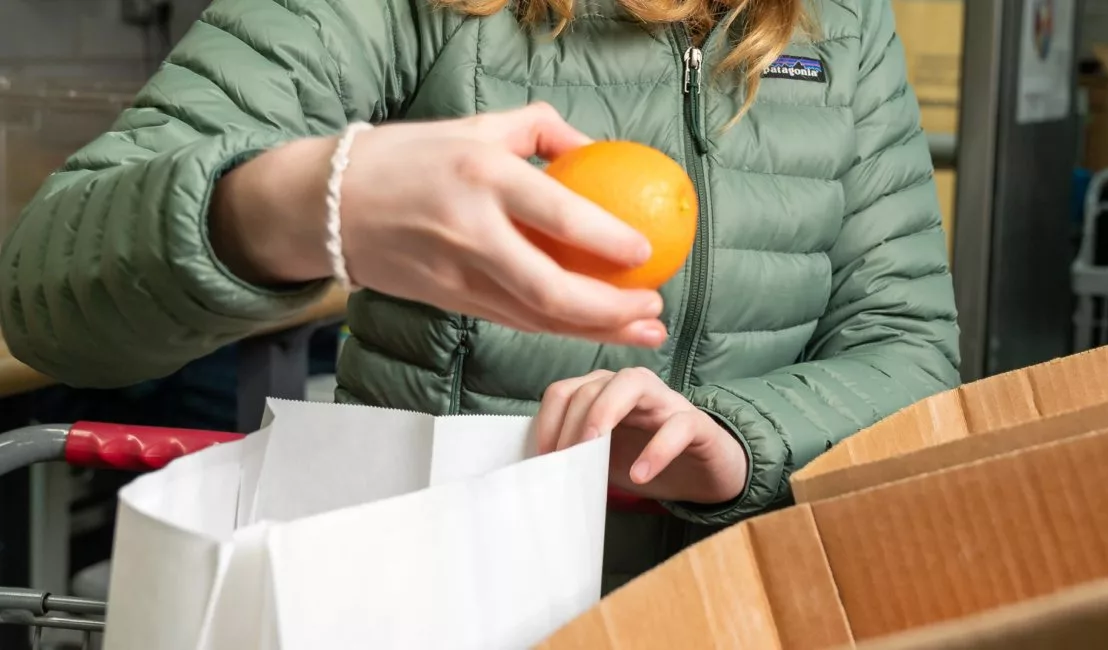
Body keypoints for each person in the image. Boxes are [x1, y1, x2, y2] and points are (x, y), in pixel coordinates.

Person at [0, 0, 959, 590]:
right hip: (439, 598)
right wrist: (293, 204)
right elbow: (46, 295)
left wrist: (737, 440)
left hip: (743, 602)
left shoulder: (842, 18)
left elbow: (910, 346)